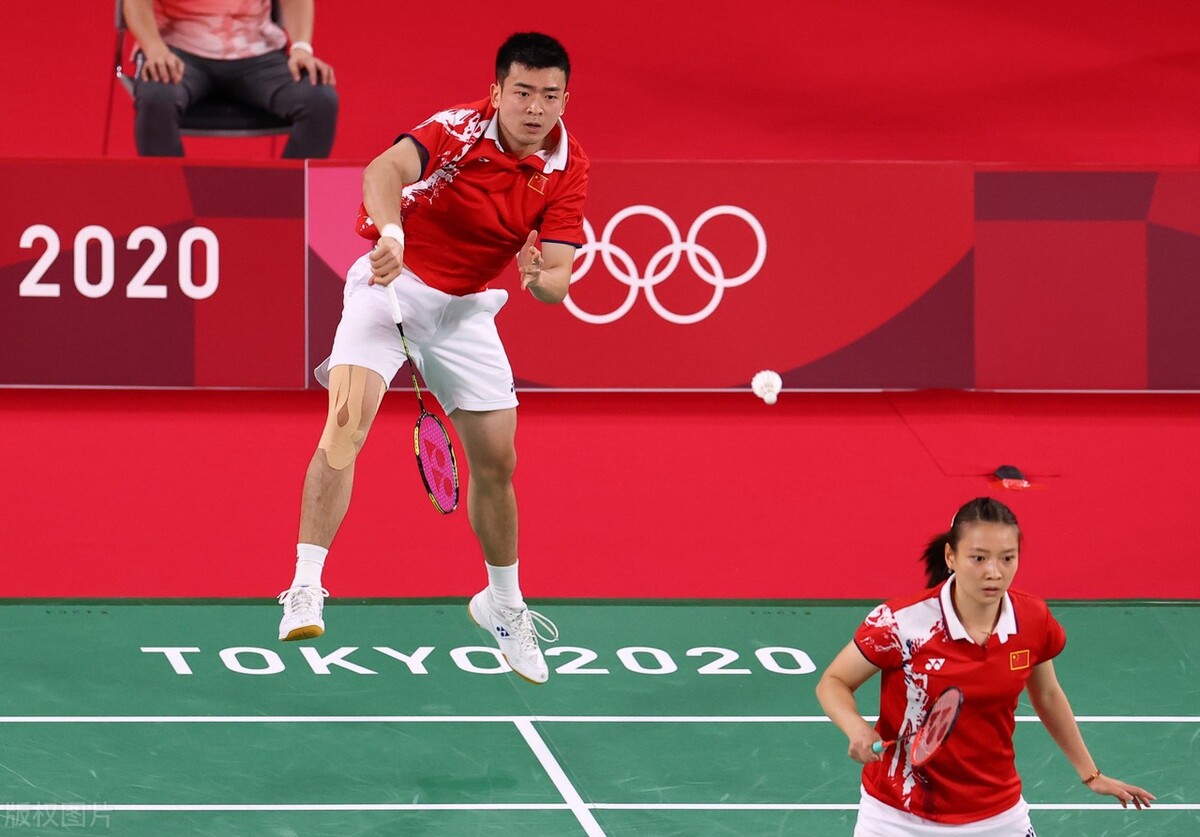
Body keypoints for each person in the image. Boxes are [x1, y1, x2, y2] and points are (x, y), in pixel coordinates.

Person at [276, 32, 588, 685]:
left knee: (499, 462)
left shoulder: (569, 165)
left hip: (468, 310)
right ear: (498, 90)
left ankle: (503, 604)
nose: (536, 107)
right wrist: (390, 231)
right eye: (523, 92)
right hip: (394, 288)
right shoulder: (457, 129)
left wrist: (540, 280)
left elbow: (559, 276)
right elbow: (381, 172)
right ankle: (305, 584)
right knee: (347, 419)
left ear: (565, 98)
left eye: (550, 95)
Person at [815, 497, 1154, 835]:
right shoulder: (901, 622)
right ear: (951, 556)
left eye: (1008, 558)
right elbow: (833, 681)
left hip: (997, 813)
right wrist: (855, 727)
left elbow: (1048, 695)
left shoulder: (1032, 619)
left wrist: (1091, 774)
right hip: (897, 815)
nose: (994, 572)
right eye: (978, 558)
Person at [122, 0, 338, 158]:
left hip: (258, 54)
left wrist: (301, 48)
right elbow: (136, 3)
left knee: (318, 98)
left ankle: (287, 208)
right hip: (175, 50)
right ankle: (169, 204)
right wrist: (154, 47)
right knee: (157, 96)